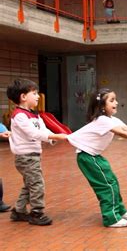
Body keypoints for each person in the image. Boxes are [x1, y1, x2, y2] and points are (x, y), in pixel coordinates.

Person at [66, 88, 127, 228]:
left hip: (94, 156)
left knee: (112, 181)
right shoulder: (102, 120)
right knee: (106, 186)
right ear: (101, 106)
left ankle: (119, 210)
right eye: (112, 100)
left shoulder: (112, 119)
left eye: (116, 99)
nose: (116, 103)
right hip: (88, 157)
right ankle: (111, 218)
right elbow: (123, 134)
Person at [6, 78, 67, 225]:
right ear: (23, 97)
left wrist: (53, 138)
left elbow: (43, 130)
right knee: (37, 184)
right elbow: (33, 133)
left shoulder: (35, 114)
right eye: (34, 93)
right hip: (25, 157)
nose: (38, 96)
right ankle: (37, 213)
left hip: (33, 156)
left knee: (30, 184)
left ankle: (19, 211)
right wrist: (54, 136)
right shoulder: (19, 115)